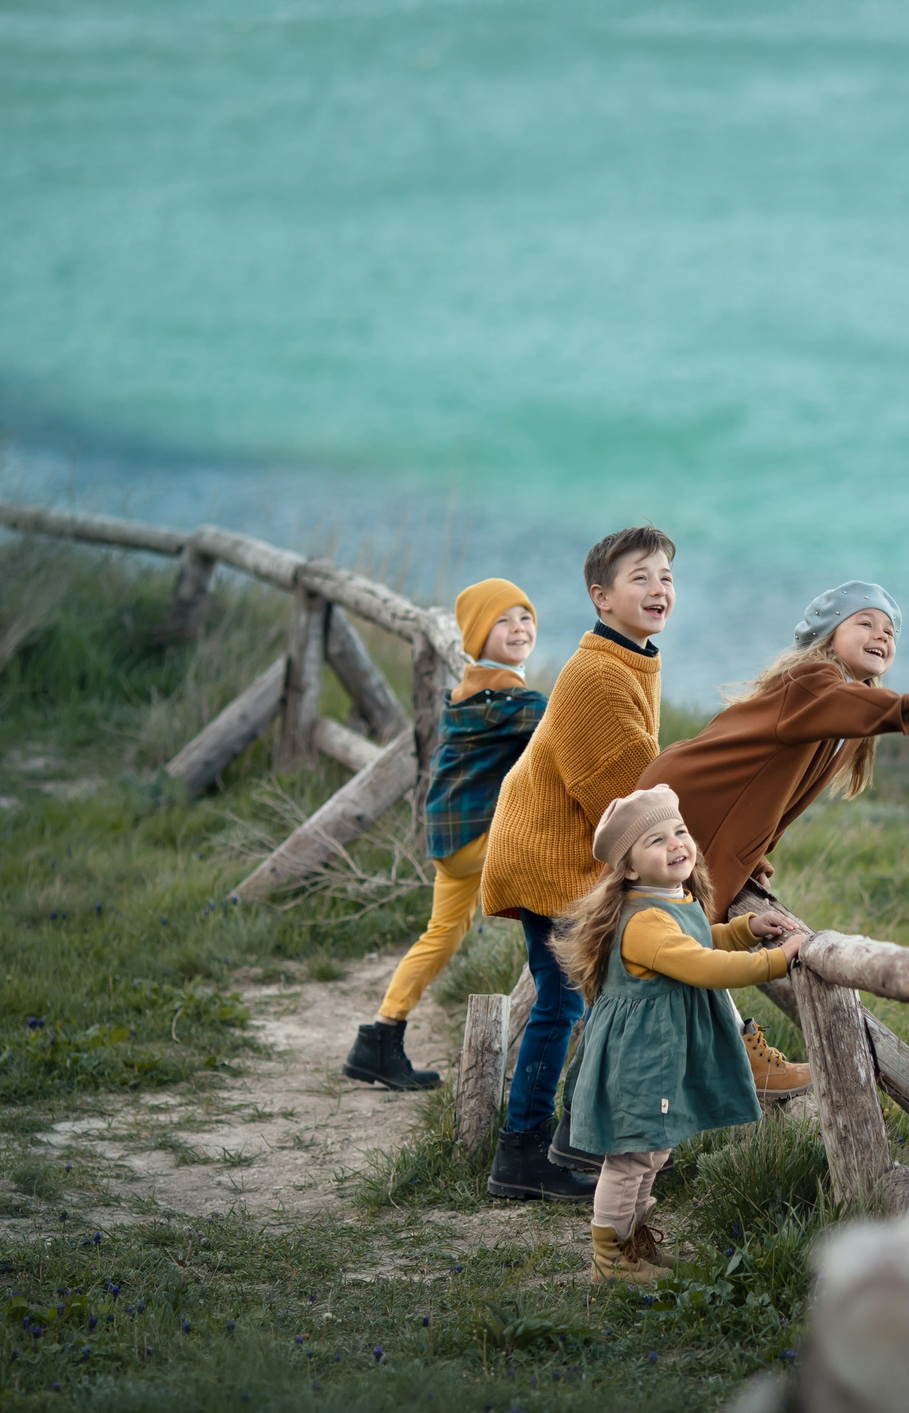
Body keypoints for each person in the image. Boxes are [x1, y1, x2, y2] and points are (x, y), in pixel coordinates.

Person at [636, 581, 909, 1090]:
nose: (882, 635)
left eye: (891, 630)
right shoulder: (814, 681)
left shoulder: (835, 708)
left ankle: (705, 1062)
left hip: (693, 807)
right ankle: (736, 1054)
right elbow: (836, 711)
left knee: (670, 951)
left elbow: (776, 795)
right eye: (866, 623)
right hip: (690, 806)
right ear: (830, 637)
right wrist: (906, 711)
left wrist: (757, 853)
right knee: (675, 948)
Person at [476, 527, 677, 1201]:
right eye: (640, 578)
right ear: (601, 596)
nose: (659, 589)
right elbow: (625, 801)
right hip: (549, 857)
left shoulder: (630, 660)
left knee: (582, 1000)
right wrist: (695, 860)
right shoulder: (596, 675)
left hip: (563, 851)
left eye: (667, 577)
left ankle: (567, 1138)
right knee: (562, 1005)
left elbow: (639, 778)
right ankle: (524, 1152)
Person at [549, 786, 808, 1282]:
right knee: (631, 1158)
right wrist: (774, 960)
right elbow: (700, 964)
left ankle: (633, 1244)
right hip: (638, 1060)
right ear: (628, 868)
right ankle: (610, 1259)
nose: (676, 845)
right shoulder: (643, 920)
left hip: (658, 1054)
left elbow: (698, 938)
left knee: (654, 1150)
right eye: (655, 840)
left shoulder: (669, 898)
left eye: (680, 832)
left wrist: (746, 929)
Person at [342, 578, 542, 1092]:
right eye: (503, 620)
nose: (519, 627)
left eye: (525, 617)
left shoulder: (472, 684)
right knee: (568, 877)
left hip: (449, 839)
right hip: (475, 837)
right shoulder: (508, 697)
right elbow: (566, 723)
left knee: (441, 935)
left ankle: (379, 1038)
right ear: (476, 636)